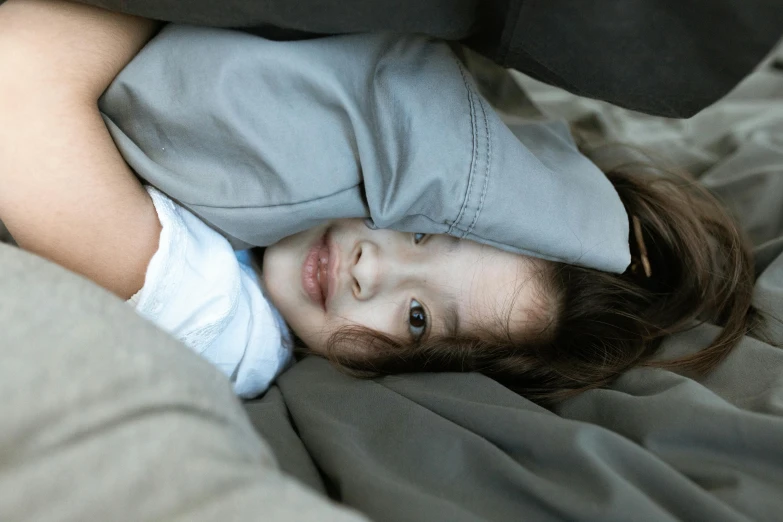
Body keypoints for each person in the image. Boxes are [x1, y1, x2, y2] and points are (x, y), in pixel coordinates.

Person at [0, 0, 758, 406]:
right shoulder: (316, 128)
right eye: (421, 227)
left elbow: (14, 81)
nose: (371, 270)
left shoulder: (228, 325)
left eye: (418, 318)